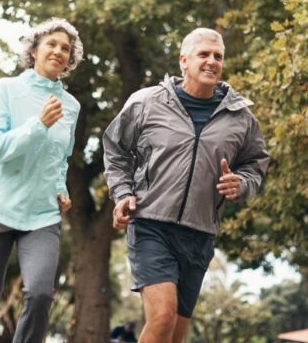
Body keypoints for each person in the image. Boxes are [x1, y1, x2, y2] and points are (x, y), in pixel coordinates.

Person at [103, 27, 269, 343]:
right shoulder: (147, 102)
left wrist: (242, 183)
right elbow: (115, 148)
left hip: (200, 232)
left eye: (217, 56)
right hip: (151, 224)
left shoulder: (240, 116)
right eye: (203, 54)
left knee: (176, 336)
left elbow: (256, 163)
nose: (211, 61)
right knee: (162, 317)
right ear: (183, 60)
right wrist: (122, 193)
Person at [0, 18, 83, 343]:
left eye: (65, 48)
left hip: (41, 215)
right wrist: (38, 124)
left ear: (71, 59)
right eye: (51, 44)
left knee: (40, 294)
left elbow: (60, 158)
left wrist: (60, 188)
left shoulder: (71, 106)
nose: (58, 51)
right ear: (35, 49)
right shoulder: (6, 89)